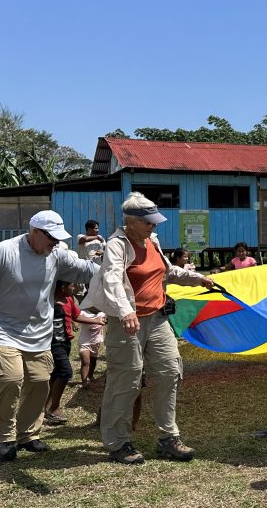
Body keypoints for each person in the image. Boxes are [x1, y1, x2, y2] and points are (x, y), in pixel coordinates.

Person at [0, 210, 99, 461]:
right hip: (1, 329)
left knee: (39, 382)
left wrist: (116, 267)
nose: (56, 243)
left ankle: (28, 435)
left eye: (58, 238)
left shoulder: (56, 254)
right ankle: (6, 438)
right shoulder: (4, 252)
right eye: (51, 237)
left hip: (38, 332)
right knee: (9, 379)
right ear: (35, 232)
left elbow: (85, 270)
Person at [81, 192, 215, 465]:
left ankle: (168, 438)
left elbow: (168, 271)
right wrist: (125, 310)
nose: (153, 226)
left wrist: (198, 278)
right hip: (127, 322)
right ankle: (118, 443)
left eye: (154, 221)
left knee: (170, 372)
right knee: (126, 380)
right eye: (148, 222)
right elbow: (112, 279)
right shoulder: (117, 245)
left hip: (157, 318)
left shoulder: (152, 241)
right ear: (131, 221)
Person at [45, 281, 106, 424]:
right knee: (65, 373)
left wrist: (96, 321)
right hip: (53, 343)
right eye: (71, 285)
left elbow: (76, 315)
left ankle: (46, 407)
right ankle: (53, 409)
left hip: (65, 342)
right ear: (62, 287)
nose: (74, 288)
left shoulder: (69, 299)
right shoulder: (49, 301)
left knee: (56, 374)